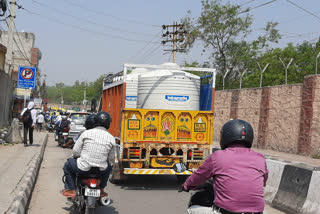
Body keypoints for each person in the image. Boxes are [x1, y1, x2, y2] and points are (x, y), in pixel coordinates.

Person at [183, 119, 268, 214]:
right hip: (257, 212)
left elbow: (198, 176)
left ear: (225, 136)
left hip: (226, 212)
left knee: (192, 208)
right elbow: (263, 181)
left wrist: (186, 185)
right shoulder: (260, 158)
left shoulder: (217, 156)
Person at [62, 111, 115, 198]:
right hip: (101, 170)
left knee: (67, 165)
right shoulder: (111, 138)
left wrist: (77, 157)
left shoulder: (86, 133)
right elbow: (111, 158)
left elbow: (75, 152)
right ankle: (101, 189)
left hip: (83, 167)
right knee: (109, 167)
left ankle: (72, 189)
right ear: (108, 123)